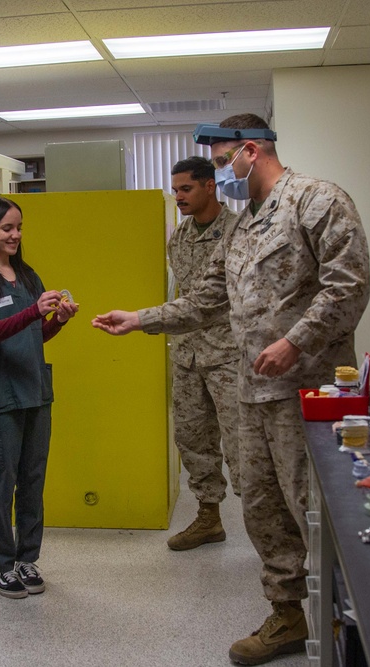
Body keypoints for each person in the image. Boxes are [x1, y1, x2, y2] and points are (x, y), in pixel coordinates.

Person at [92, 113, 370, 665]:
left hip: (305, 395)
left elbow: (349, 286)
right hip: (251, 392)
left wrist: (295, 341)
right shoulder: (243, 226)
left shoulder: (317, 201)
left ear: (250, 151)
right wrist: (142, 318)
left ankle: (351, 621)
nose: (220, 175)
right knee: (263, 509)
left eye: (221, 164)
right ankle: (288, 614)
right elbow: (205, 299)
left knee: (313, 509)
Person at [0, 196, 79, 598]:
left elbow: (34, 336)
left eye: (19, 228)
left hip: (34, 392)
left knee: (32, 480)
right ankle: (0, 565)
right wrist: (32, 313)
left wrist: (57, 321)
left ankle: (27, 558)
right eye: (6, 228)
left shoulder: (27, 276)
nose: (15, 235)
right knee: (0, 484)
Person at [158, 156, 242, 552]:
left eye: (186, 188)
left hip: (230, 355)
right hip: (188, 356)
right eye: (175, 190)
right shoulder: (179, 237)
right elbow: (184, 296)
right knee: (192, 438)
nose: (178, 197)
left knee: (244, 444)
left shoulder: (239, 230)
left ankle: (271, 527)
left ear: (210, 186)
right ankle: (209, 518)